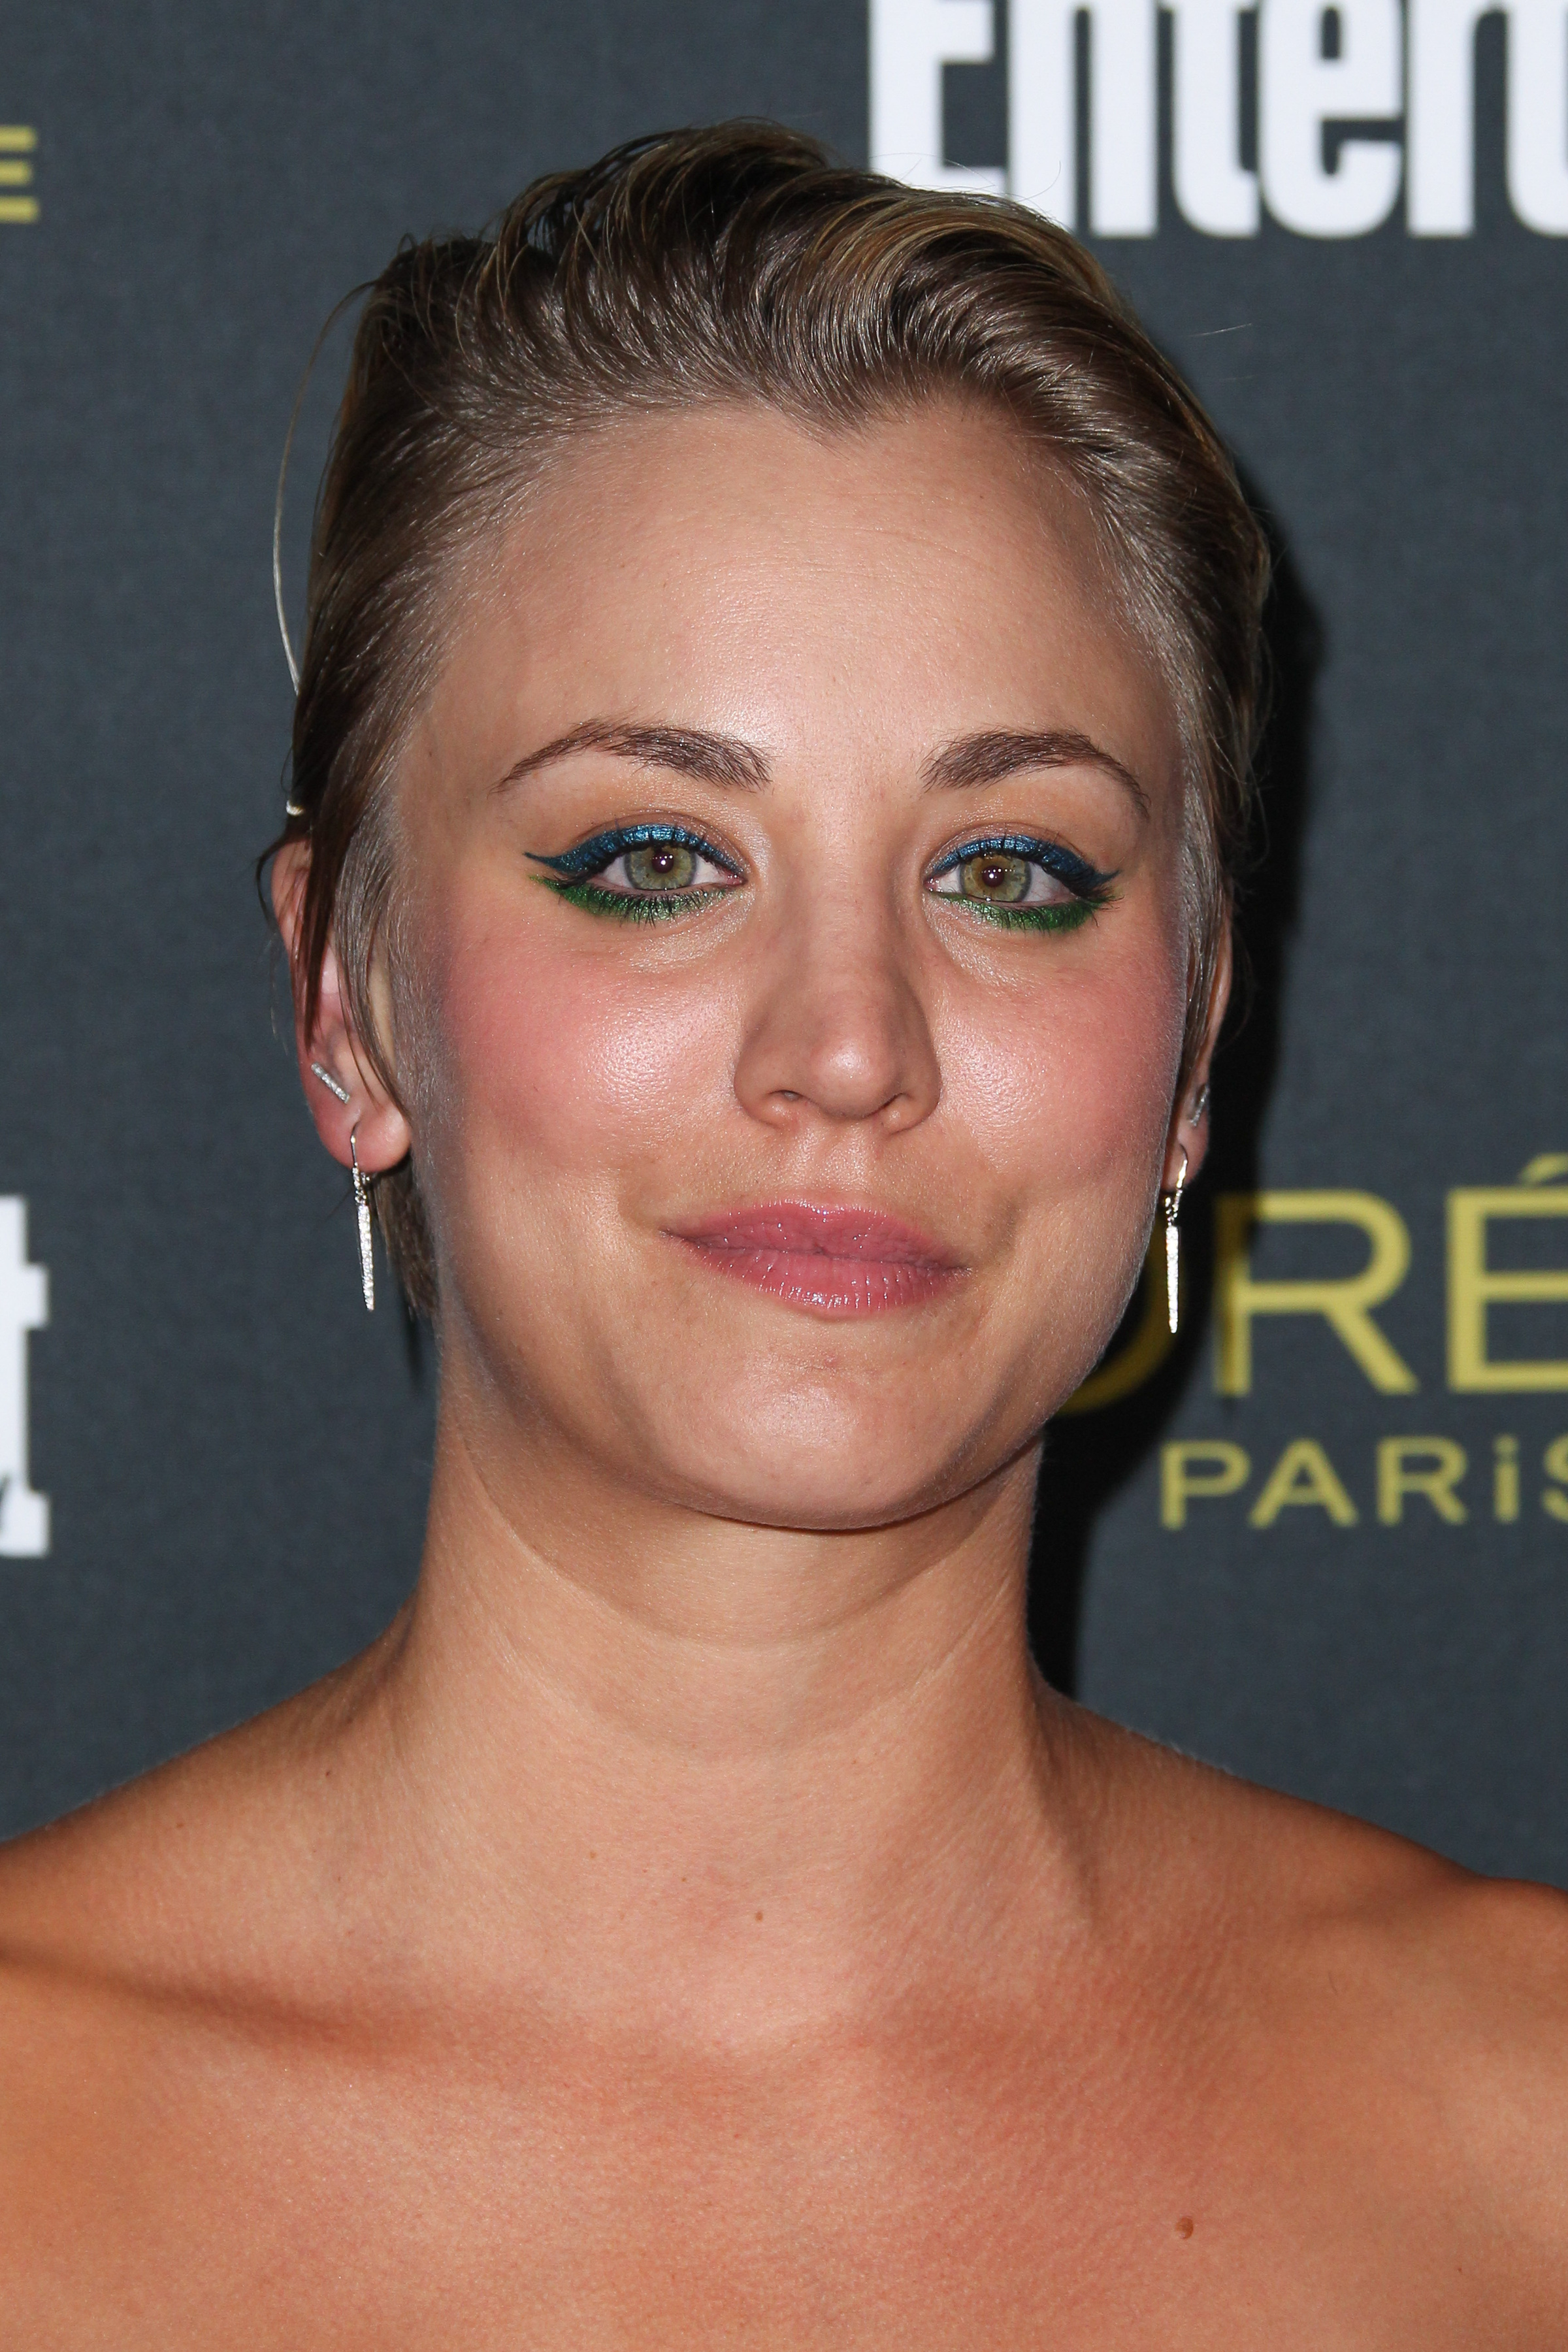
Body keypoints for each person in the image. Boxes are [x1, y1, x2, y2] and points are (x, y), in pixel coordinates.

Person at [1, 123, 1564, 2345]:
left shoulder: (1527, 2140)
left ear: (1193, 1043)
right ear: (346, 997)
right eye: (655, 860)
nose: (849, 1048)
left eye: (1011, 874)